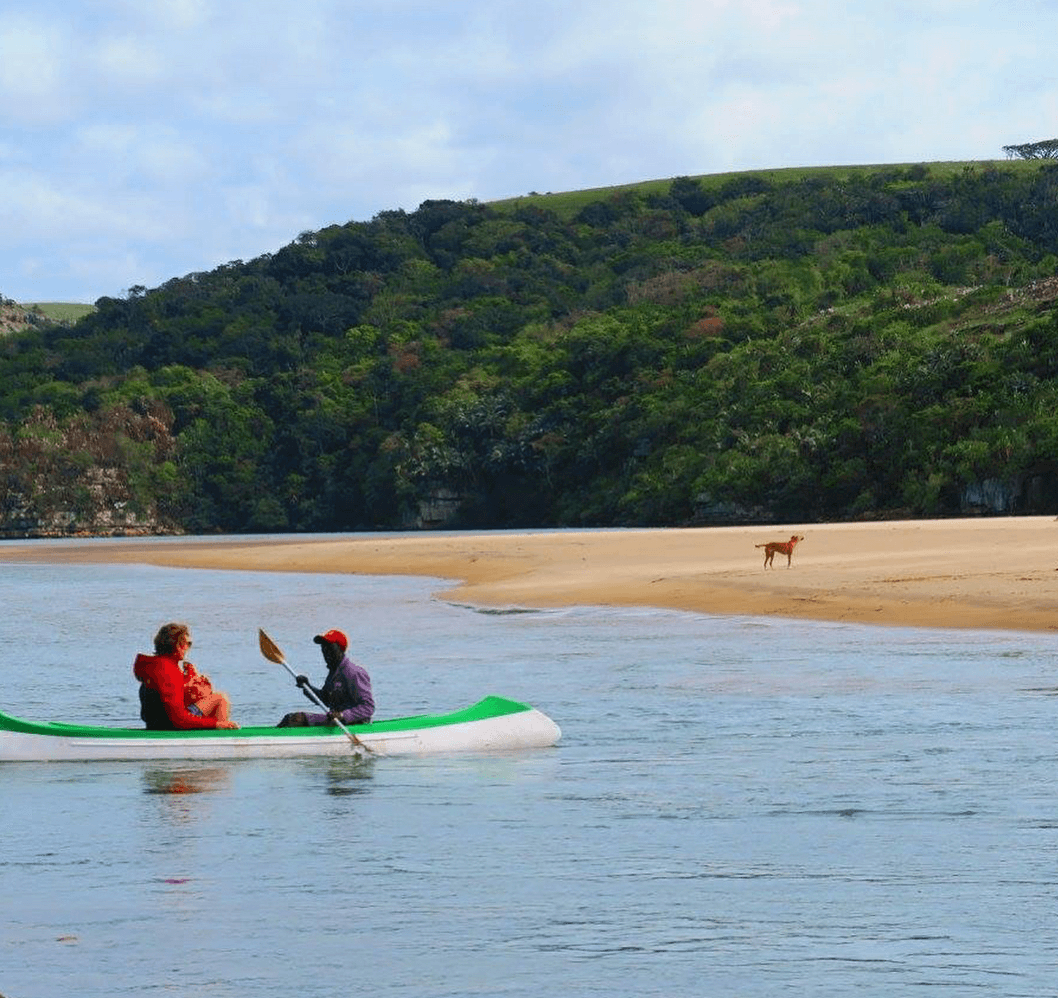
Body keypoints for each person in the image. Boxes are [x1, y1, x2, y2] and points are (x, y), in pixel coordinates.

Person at [133, 622, 239, 730]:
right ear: (177, 646)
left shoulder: (156, 665)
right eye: (187, 643)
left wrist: (190, 685)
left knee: (214, 698)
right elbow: (179, 719)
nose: (188, 648)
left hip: (156, 722)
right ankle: (219, 743)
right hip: (168, 725)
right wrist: (216, 723)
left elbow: (170, 699)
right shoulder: (167, 671)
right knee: (221, 698)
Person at [276, 628, 374, 728]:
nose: (326, 653)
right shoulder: (333, 672)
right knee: (289, 718)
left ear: (340, 649)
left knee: (295, 719)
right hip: (335, 721)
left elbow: (368, 707)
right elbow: (325, 700)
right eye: (324, 649)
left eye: (330, 648)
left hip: (354, 724)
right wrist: (307, 687)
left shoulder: (354, 672)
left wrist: (342, 715)